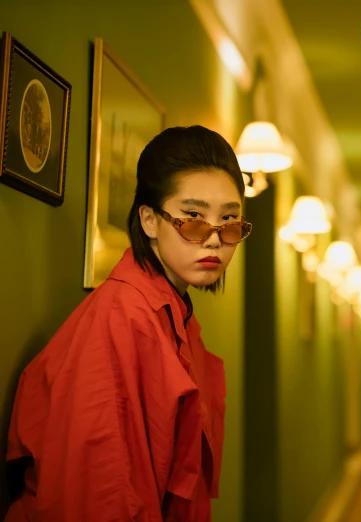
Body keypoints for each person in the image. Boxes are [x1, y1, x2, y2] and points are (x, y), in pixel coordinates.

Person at [4, 125, 252, 521]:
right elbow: (104, 494)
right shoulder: (122, 319)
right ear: (149, 220)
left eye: (230, 220)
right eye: (192, 218)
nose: (214, 239)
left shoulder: (171, 311)